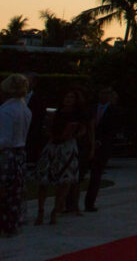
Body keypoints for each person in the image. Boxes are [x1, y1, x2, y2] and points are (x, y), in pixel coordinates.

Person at [34, 91, 84, 224]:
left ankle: (55, 210)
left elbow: (83, 129)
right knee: (44, 179)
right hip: (53, 145)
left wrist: (73, 133)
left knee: (65, 180)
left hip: (67, 147)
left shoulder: (77, 114)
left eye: (71, 97)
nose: (68, 99)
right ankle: (41, 210)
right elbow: (46, 129)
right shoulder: (55, 113)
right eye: (66, 96)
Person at [0, 74, 32, 237]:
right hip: (19, 154)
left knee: (4, 191)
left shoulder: (6, 111)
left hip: (7, 155)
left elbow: (4, 139)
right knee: (14, 192)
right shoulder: (25, 109)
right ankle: (11, 222)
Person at [82, 88, 121, 212]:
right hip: (88, 143)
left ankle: (89, 203)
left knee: (96, 174)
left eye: (106, 93)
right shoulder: (91, 108)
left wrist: (101, 141)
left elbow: (113, 128)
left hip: (103, 146)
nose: (104, 95)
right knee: (80, 173)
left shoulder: (114, 111)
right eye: (102, 92)